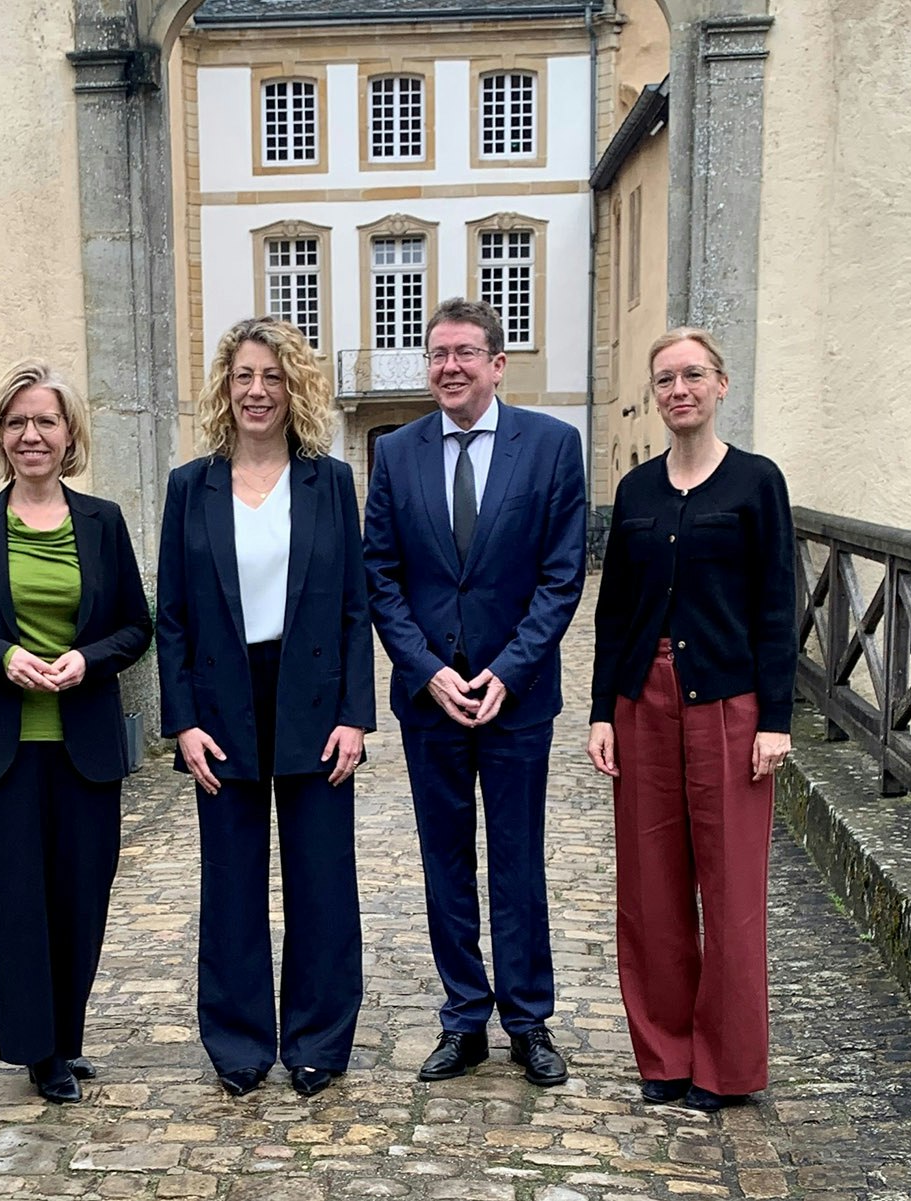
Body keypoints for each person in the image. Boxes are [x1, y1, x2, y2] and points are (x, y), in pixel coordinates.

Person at [363, 297, 587, 1088]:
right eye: (436, 354)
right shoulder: (396, 452)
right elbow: (380, 575)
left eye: (464, 352)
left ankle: (529, 1021)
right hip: (432, 701)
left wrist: (509, 670)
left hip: (516, 698)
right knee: (444, 862)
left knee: (518, 858)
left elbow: (563, 579)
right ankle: (464, 1018)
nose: (448, 366)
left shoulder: (554, 448)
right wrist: (427, 670)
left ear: (498, 363)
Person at [156, 316, 373, 1099]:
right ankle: (240, 1042)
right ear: (226, 386)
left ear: (294, 389)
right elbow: (171, 614)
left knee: (322, 877)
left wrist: (355, 714)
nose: (257, 391)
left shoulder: (329, 479)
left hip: (313, 695)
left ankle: (318, 1039)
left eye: (273, 377)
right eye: (245, 376)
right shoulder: (191, 484)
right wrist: (181, 721)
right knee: (232, 879)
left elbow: (354, 605)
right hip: (222, 700)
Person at [0, 359, 152, 1104]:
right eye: (17, 422)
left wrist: (85, 659)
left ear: (68, 435)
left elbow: (136, 627)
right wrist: (7, 657)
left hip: (85, 743)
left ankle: (69, 1033)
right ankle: (38, 1050)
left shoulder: (103, 520)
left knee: (82, 897)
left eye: (45, 421)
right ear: (2, 434)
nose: (31, 434)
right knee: (21, 902)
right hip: (4, 748)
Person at [585, 328, 795, 1112]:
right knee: (650, 885)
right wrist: (604, 708)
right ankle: (666, 1055)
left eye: (693, 375)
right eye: (666, 377)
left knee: (732, 886)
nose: (680, 389)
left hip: (730, 706)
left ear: (721, 384)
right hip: (645, 699)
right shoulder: (637, 492)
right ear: (655, 392)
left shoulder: (755, 483)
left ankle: (726, 1066)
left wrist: (776, 716)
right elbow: (613, 612)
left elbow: (778, 604)